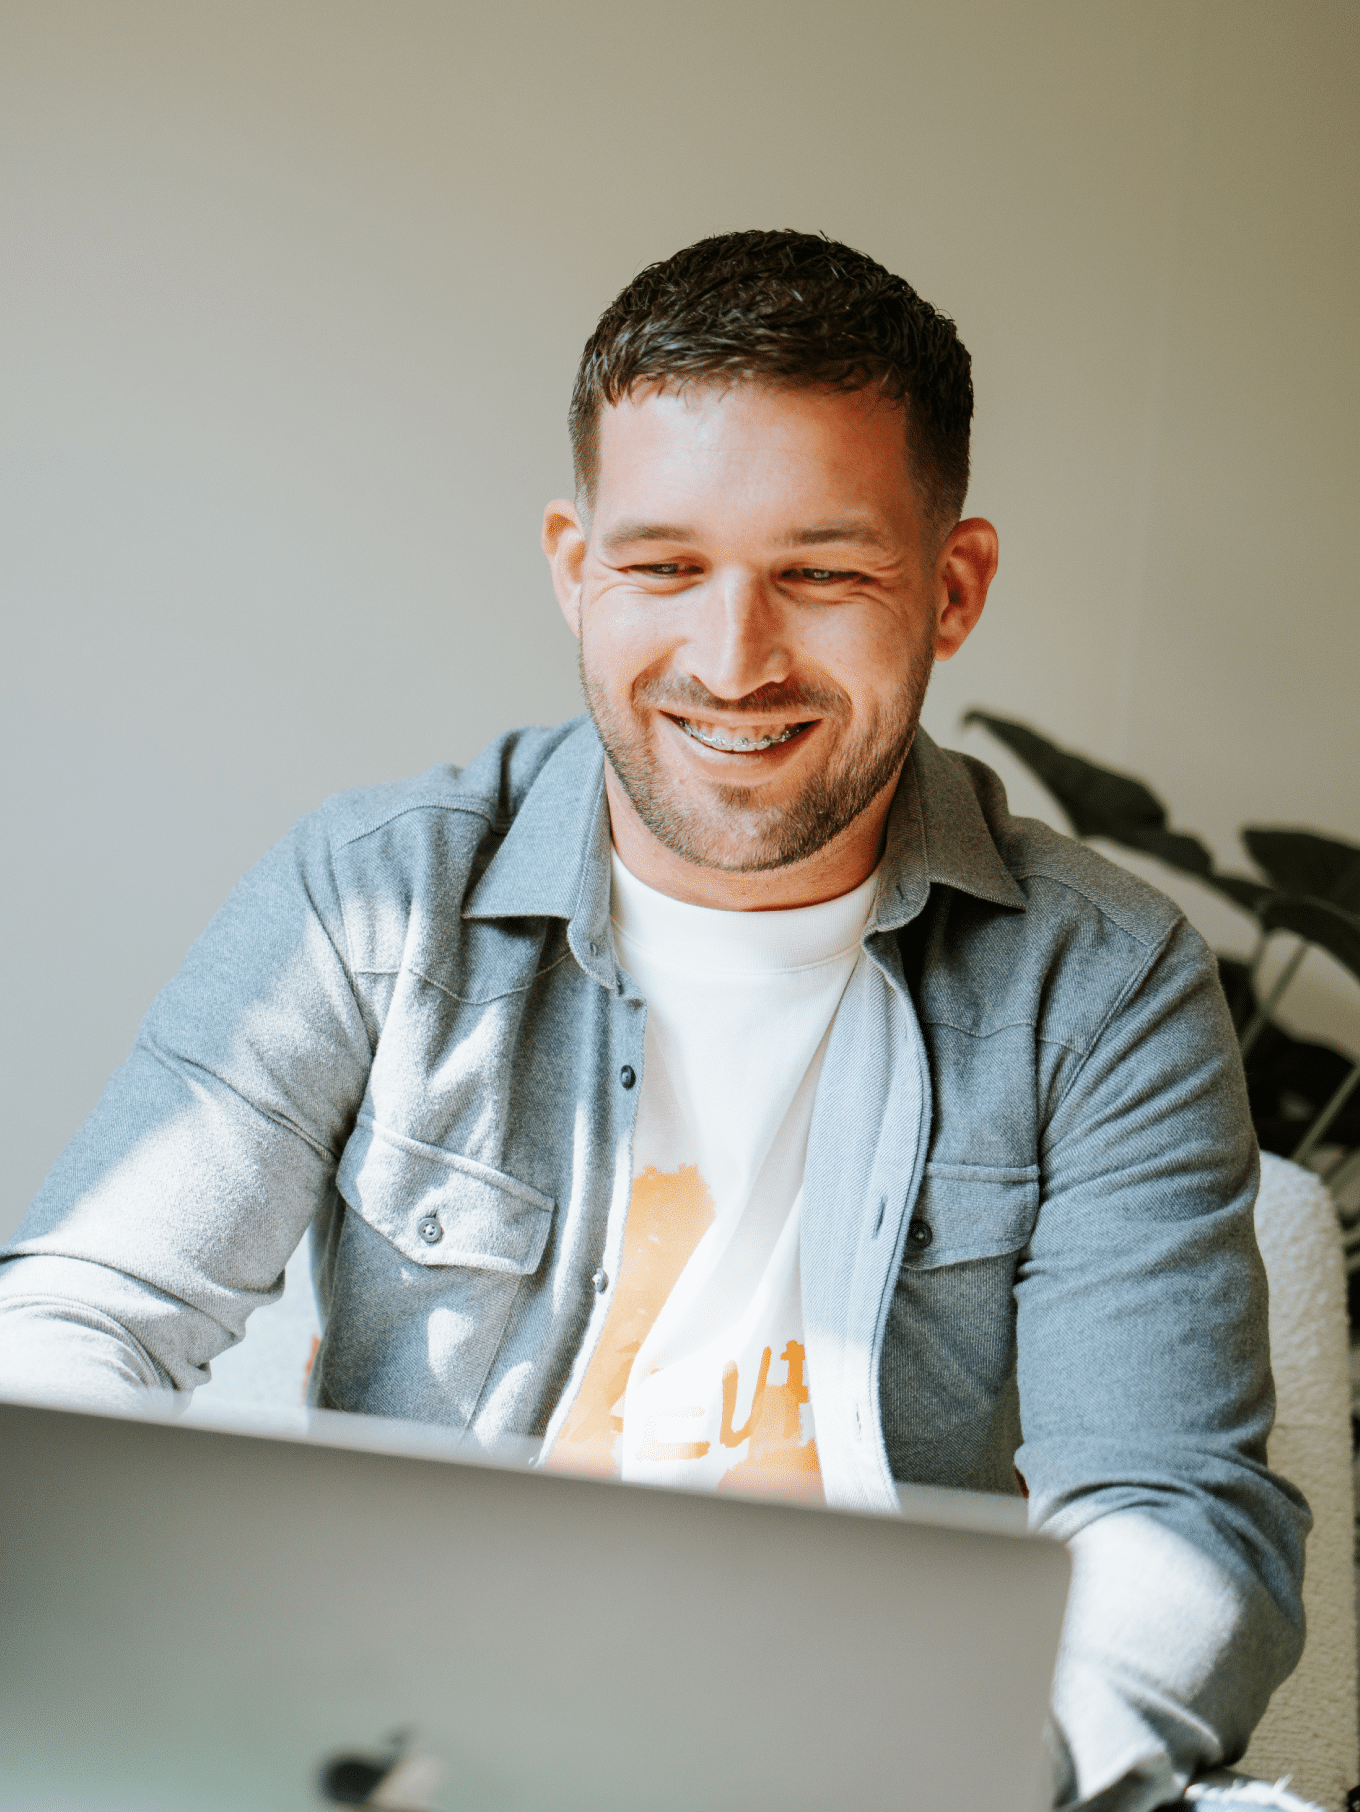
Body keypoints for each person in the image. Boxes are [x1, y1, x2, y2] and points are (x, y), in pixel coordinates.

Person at [0, 230, 1310, 1811]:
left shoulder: (1103, 980)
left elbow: (1173, 1524)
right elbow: (79, 1325)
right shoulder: (372, 898)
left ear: (951, 589)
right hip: (422, 1763)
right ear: (574, 564)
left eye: (822, 572)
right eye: (664, 565)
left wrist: (968, 1781)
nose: (731, 659)